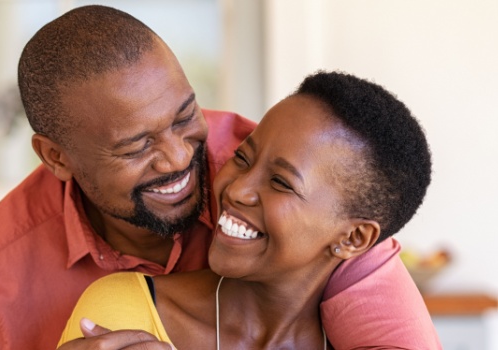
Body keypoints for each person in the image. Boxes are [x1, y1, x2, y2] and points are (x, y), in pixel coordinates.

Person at [0, 5, 439, 349]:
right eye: (136, 145)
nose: (177, 158)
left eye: (185, 116)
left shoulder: (273, 171)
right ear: (56, 158)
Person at [58, 71, 438, 349]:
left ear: (353, 238)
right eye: (242, 157)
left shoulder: (372, 342)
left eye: (281, 183)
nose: (237, 189)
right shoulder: (125, 308)